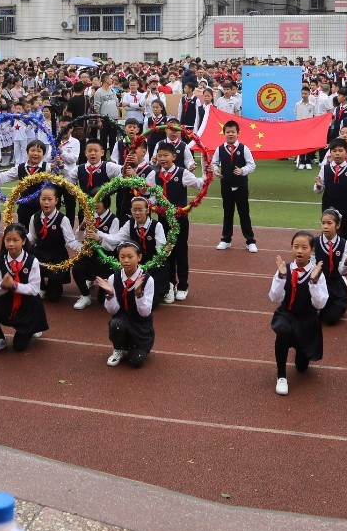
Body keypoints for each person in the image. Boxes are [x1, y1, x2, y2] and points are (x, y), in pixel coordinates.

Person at [144, 142, 204, 304]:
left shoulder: (182, 173)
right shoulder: (154, 175)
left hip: (180, 220)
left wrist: (207, 172)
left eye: (166, 155)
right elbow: (147, 193)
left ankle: (183, 286)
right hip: (162, 220)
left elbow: (199, 185)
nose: (162, 159)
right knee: (165, 252)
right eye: (160, 155)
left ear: (174, 157)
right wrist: (152, 203)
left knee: (180, 252)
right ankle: (170, 284)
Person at [269, 231, 328, 396]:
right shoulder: (285, 269)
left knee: (302, 368)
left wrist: (314, 281)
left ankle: (300, 351)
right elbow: (274, 297)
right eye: (296, 247)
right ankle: (281, 376)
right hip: (287, 314)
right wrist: (281, 276)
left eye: (304, 247)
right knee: (283, 331)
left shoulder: (317, 274)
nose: (299, 251)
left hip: (307, 320)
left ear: (312, 250)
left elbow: (320, 304)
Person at [0, 223, 49, 354]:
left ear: (23, 241)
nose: (11, 244)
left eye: (15, 240)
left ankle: (33, 327)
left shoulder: (32, 261)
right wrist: (3, 286)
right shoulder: (0, 261)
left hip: (28, 304)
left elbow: (34, 289)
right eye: (8, 240)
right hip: (8, 300)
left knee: (19, 347)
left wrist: (14, 286)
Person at [94, 242, 155, 367]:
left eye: (130, 257)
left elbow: (145, 312)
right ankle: (119, 348)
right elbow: (113, 311)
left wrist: (139, 293)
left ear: (139, 257)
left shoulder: (147, 280)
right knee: (116, 323)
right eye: (122, 257)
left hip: (140, 325)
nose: (126, 260)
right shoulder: (113, 278)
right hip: (122, 321)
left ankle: (134, 346)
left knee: (136, 361)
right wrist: (110, 294)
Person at [27, 186, 81, 301]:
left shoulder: (63, 219)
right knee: (29, 256)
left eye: (50, 199)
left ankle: (52, 283)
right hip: (40, 254)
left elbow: (70, 241)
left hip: (57, 256)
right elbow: (32, 237)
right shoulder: (34, 217)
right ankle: (41, 285)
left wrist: (83, 248)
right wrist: (20, 240)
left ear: (56, 201)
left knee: (54, 297)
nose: (46, 203)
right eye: (43, 199)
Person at [214, 120, 257, 252]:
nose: (230, 134)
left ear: (238, 133)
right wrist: (215, 170)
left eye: (233, 132)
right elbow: (214, 163)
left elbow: (252, 165)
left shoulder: (244, 148)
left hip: (241, 186)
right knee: (228, 212)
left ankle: (250, 241)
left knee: (244, 212)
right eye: (228, 132)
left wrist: (242, 170)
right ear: (224, 133)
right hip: (226, 185)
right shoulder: (220, 149)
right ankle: (226, 239)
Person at [315, 208, 347, 325]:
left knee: (331, 318)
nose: (325, 226)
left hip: (336, 287)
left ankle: (326, 308)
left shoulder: (345, 244)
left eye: (329, 223)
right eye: (323, 223)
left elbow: (342, 271)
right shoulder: (314, 242)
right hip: (318, 285)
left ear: (338, 225)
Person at [314, 139, 347, 247]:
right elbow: (317, 190)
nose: (337, 153)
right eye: (334, 151)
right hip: (328, 205)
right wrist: (318, 185)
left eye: (340, 150)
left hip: (345, 206)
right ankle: (326, 251)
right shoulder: (325, 168)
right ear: (330, 152)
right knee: (328, 230)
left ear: (346, 152)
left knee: (346, 231)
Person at [72, 197, 119, 310]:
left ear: (106, 202)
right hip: (89, 255)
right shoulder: (89, 216)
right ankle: (85, 295)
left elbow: (113, 245)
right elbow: (78, 238)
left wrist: (99, 238)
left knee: (102, 300)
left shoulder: (114, 220)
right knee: (76, 268)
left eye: (98, 202)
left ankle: (107, 285)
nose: (95, 205)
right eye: (93, 202)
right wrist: (82, 225)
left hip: (105, 259)